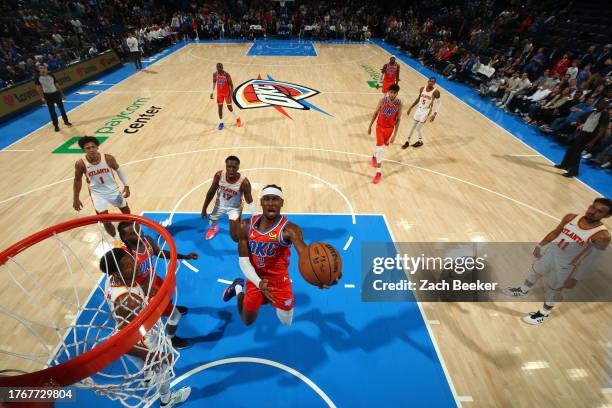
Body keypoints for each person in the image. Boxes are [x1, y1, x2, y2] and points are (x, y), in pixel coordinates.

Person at [222, 185, 337, 326]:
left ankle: (270, 301)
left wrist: (321, 276)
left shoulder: (291, 230)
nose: (271, 203)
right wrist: (258, 282)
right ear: (261, 202)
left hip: (279, 281)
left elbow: (305, 254)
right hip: (255, 277)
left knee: (287, 322)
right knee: (247, 320)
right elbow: (243, 261)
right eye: (267, 199)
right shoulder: (245, 226)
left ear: (282, 202)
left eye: (275, 199)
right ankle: (238, 287)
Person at [100, 248, 191, 407]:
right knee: (162, 368)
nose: (134, 265)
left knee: (150, 369)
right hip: (140, 341)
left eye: (131, 260)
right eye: (128, 266)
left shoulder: (111, 282)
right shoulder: (128, 301)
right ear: (116, 273)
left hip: (133, 330)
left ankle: (149, 375)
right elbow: (123, 343)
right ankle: (167, 400)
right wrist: (153, 355)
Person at [502, 198, 611, 324]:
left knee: (555, 289)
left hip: (567, 265)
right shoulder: (571, 218)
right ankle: (523, 290)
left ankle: (544, 313)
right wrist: (540, 245)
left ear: (606, 216)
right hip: (551, 252)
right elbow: (555, 233)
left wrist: (576, 278)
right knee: (536, 271)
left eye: (599, 211)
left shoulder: (602, 236)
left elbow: (591, 260)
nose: (593, 212)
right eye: (593, 207)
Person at [117, 222, 197, 349]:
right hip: (144, 292)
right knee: (175, 315)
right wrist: (144, 291)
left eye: (138, 229)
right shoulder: (125, 256)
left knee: (168, 296)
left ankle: (168, 305)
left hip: (154, 279)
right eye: (132, 233)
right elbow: (124, 282)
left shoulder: (147, 240)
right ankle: (171, 339)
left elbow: (160, 253)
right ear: (124, 237)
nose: (138, 233)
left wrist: (184, 256)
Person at [73, 136, 130, 237]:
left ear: (97, 147)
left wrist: (126, 185)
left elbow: (119, 169)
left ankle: (132, 232)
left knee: (127, 214)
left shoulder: (108, 158)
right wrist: (76, 198)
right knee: (105, 221)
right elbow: (77, 180)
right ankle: (117, 240)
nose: (91, 150)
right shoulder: (80, 163)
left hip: (113, 191)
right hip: (97, 195)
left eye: (93, 147)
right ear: (83, 150)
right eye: (88, 148)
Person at [201, 156, 256, 241]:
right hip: (220, 205)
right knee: (212, 220)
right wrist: (204, 208)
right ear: (226, 166)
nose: (231, 169)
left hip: (234, 208)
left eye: (234, 167)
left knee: (235, 237)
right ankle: (214, 228)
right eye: (228, 167)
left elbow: (250, 202)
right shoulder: (219, 176)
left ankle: (247, 238)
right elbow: (211, 192)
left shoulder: (244, 183)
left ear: (238, 167)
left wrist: (256, 218)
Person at [555, 99, 610, 177]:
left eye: (604, 104)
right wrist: (580, 124)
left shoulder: (605, 115)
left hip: (590, 136)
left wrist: (592, 142)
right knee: (571, 149)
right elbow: (581, 117)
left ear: (606, 106)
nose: (601, 105)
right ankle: (564, 165)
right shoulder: (593, 111)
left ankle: (574, 172)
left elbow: (602, 131)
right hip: (583, 133)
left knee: (576, 153)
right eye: (600, 103)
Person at [367, 83, 402, 184]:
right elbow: (375, 113)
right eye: (390, 92)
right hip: (380, 127)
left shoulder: (399, 103)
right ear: (388, 92)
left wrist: (394, 135)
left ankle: (374, 156)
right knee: (380, 148)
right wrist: (370, 126)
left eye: (394, 93)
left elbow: (398, 119)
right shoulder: (383, 100)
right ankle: (378, 173)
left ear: (397, 93)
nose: (392, 94)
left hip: (389, 128)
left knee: (381, 146)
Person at [402, 77, 441, 149]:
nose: (431, 83)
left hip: (426, 111)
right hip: (419, 109)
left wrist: (434, 114)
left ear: (434, 83)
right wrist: (411, 107)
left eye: (433, 82)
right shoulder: (422, 89)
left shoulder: (436, 92)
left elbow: (439, 104)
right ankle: (407, 141)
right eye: (430, 81)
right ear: (428, 81)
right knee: (412, 126)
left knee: (418, 128)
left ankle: (420, 141)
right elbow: (418, 98)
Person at [34, 64, 71, 132]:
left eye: (43, 68)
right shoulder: (37, 77)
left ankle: (66, 121)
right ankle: (56, 126)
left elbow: (56, 84)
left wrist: (62, 94)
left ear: (46, 68)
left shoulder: (51, 74)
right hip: (47, 95)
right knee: (52, 111)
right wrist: (42, 97)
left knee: (62, 108)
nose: (42, 69)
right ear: (39, 70)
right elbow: (38, 88)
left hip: (55, 94)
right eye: (40, 68)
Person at [210, 63, 241, 130]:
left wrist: (231, 93)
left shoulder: (226, 74)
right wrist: (212, 92)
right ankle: (221, 122)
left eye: (220, 68)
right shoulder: (214, 74)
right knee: (220, 108)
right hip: (219, 94)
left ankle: (237, 118)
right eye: (218, 68)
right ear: (216, 68)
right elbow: (214, 82)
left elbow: (231, 85)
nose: (219, 69)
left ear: (222, 67)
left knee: (229, 108)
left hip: (227, 93)